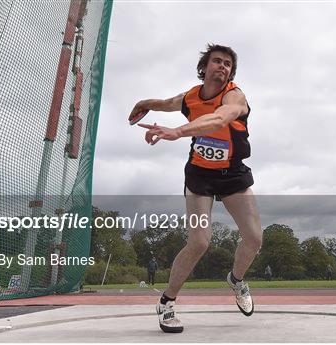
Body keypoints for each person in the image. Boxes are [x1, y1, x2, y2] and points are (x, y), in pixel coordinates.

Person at [129, 44, 262, 333]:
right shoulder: (191, 97)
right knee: (200, 241)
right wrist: (145, 102)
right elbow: (168, 102)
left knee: (254, 238)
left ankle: (237, 280)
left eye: (228, 64)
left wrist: (177, 131)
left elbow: (219, 118)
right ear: (205, 67)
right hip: (200, 176)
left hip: (233, 175)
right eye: (217, 61)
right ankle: (167, 302)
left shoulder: (235, 96)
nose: (223, 67)